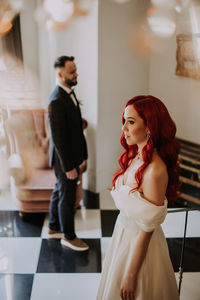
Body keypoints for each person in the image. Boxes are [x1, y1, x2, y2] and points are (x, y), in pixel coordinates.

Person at [96, 95, 180, 300]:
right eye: (124, 120)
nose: (124, 128)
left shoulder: (155, 171)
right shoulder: (138, 156)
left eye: (131, 122)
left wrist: (131, 274)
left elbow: (146, 229)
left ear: (149, 127)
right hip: (123, 235)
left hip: (140, 246)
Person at [47, 55, 89, 251]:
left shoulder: (69, 93)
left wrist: (84, 156)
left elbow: (76, 131)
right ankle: (69, 236)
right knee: (67, 196)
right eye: (72, 71)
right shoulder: (56, 100)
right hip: (65, 160)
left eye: (75, 69)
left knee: (59, 190)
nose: (76, 73)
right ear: (60, 74)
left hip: (73, 156)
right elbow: (59, 139)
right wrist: (69, 167)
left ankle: (53, 226)